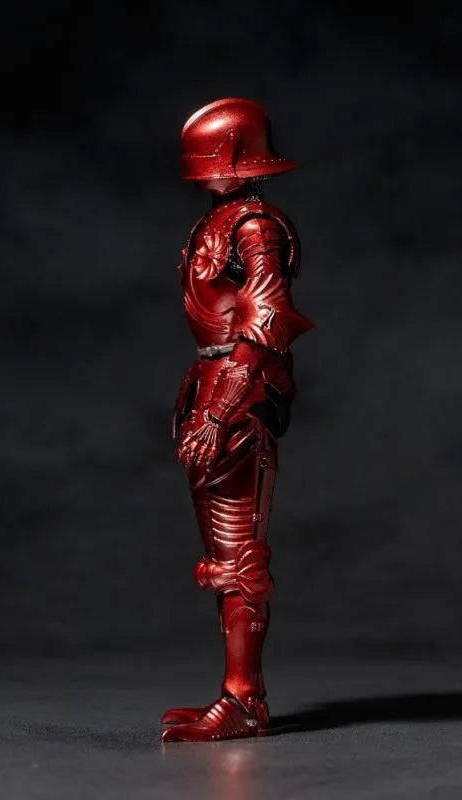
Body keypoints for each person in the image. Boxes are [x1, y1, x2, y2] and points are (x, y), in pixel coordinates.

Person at [162, 98, 314, 743]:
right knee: (222, 556)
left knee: (240, 556)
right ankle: (236, 694)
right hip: (210, 383)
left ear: (232, 156)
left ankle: (244, 700)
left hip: (240, 391)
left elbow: (263, 324)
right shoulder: (217, 221)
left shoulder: (255, 227)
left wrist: (220, 409)